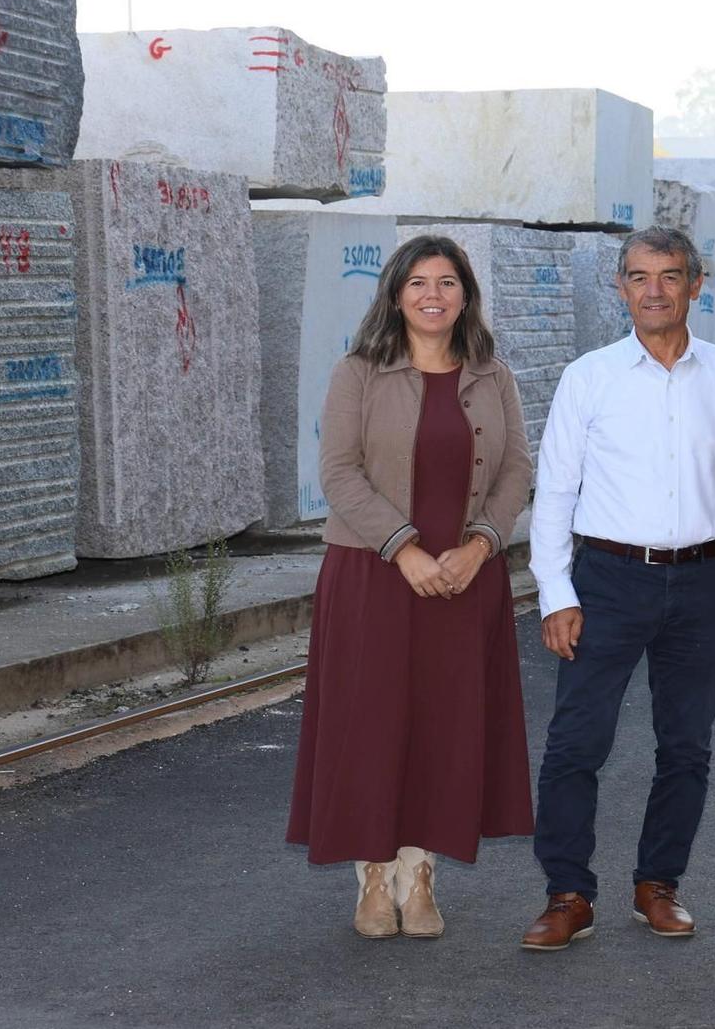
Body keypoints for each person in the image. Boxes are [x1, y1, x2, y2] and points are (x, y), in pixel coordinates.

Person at [286, 234, 535, 940]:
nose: (434, 294)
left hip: (465, 578)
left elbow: (517, 467)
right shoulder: (358, 372)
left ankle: (420, 873)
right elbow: (338, 471)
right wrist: (405, 548)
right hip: (373, 572)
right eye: (419, 282)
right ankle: (372, 875)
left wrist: (481, 543)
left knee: (443, 726)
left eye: (447, 281)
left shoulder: (494, 376)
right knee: (370, 724)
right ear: (396, 294)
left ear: (465, 294)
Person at [521, 227, 715, 951]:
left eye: (670, 275)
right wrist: (556, 591)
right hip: (609, 581)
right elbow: (555, 491)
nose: (655, 289)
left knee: (685, 745)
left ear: (696, 283)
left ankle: (659, 884)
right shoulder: (589, 377)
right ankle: (567, 893)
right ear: (621, 287)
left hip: (705, 581)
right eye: (639, 276)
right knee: (575, 744)